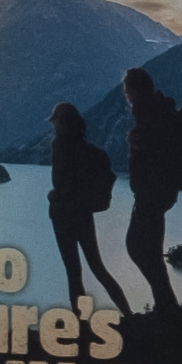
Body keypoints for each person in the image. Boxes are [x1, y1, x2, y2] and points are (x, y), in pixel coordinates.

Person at [117, 61, 182, 321]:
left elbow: (155, 154)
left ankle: (168, 308)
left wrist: (139, 146)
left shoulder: (149, 114)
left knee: (137, 247)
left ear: (133, 91)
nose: (126, 97)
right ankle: (166, 306)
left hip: (152, 193)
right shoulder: (159, 110)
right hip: (160, 193)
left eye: (127, 91)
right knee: (149, 249)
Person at [43, 100, 126, 311]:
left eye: (55, 122)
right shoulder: (88, 150)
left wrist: (54, 195)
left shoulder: (59, 146)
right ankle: (128, 313)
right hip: (83, 214)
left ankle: (80, 326)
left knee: (73, 272)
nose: (53, 126)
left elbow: (61, 184)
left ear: (60, 123)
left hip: (63, 215)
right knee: (98, 267)